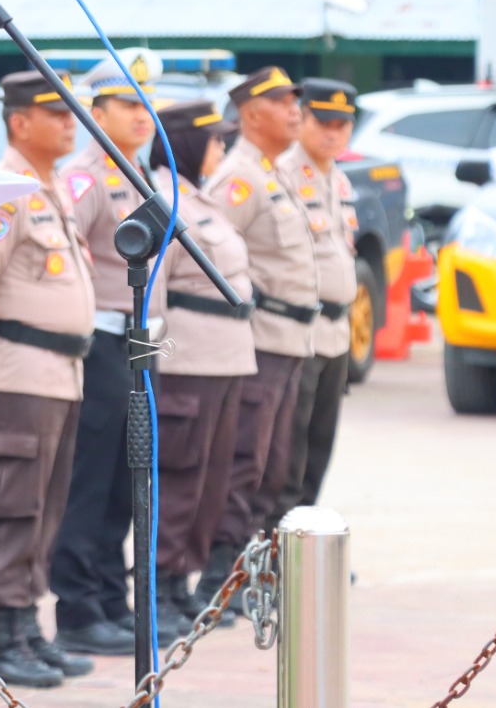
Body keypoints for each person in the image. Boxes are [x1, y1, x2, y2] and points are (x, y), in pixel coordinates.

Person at [0, 70, 96, 690]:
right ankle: (7, 634)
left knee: (45, 509)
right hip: (15, 373)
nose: (69, 122)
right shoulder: (2, 191)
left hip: (59, 374)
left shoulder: (51, 188)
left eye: (71, 113)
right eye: (54, 112)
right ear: (19, 122)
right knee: (11, 508)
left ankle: (30, 626)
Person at [47, 55, 162, 656]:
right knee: (91, 478)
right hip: (104, 341)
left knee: (129, 478)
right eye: (128, 106)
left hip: (144, 341)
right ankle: (77, 604)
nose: (144, 117)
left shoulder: (143, 173)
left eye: (148, 105)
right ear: (96, 114)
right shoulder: (86, 177)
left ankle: (113, 597)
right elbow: (66, 249)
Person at [194, 66, 319, 608]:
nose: (295, 110)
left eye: (296, 101)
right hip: (259, 341)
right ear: (250, 115)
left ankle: (250, 571)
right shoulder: (238, 179)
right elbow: (210, 261)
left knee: (275, 468)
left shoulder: (274, 171)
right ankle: (219, 581)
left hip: (291, 340)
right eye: (281, 101)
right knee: (245, 462)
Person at [145, 100, 256, 646]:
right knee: (183, 480)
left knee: (211, 481)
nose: (222, 149)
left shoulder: (199, 196)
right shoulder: (163, 199)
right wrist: (159, 361)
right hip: (187, 362)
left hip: (226, 360)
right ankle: (160, 583)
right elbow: (154, 294)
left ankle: (181, 580)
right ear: (186, 143)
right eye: (214, 140)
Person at [271, 78, 360, 523]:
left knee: (321, 444)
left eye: (343, 125)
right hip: (300, 329)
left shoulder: (338, 179)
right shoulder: (284, 174)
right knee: (290, 448)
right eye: (324, 122)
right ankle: (282, 544)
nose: (333, 134)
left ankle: (309, 544)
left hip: (337, 332)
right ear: (303, 119)